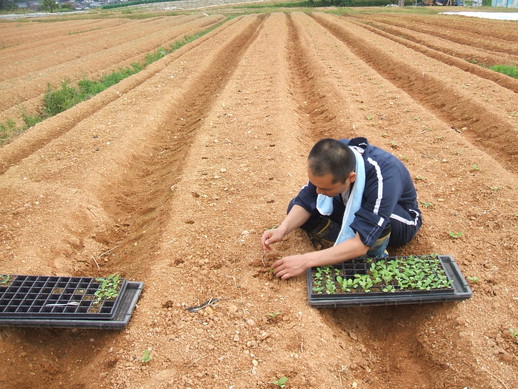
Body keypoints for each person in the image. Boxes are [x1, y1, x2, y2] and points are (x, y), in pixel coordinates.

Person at [261, 137, 422, 280]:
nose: (318, 192)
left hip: (400, 220)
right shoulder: (333, 158)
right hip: (359, 206)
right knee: (297, 207)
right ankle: (344, 246)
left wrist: (305, 260)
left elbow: (361, 243)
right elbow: (307, 199)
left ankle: (372, 255)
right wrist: (282, 230)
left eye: (325, 189)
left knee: (375, 229)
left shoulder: (384, 177)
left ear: (351, 178)